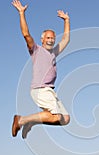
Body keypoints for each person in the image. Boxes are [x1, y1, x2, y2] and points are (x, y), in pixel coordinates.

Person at [11, 0, 70, 139]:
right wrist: (21, 13)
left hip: (49, 89)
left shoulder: (53, 52)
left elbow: (66, 39)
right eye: (48, 38)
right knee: (55, 117)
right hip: (39, 89)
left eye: (53, 38)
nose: (50, 40)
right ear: (42, 39)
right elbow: (26, 34)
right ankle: (21, 120)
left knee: (65, 119)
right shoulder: (36, 50)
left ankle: (31, 123)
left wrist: (66, 20)